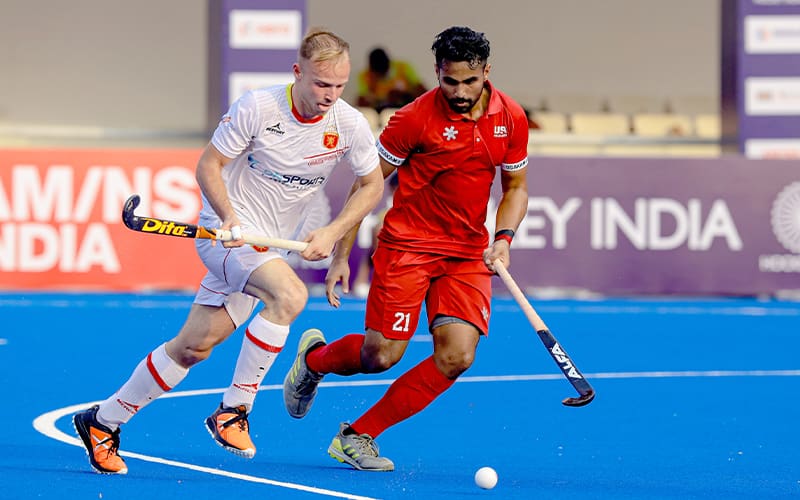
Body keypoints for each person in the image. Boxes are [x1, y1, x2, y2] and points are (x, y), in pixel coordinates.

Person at [72, 27, 384, 475]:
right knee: (291, 297)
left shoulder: (349, 124)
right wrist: (229, 216)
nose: (329, 95)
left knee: (192, 348)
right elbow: (209, 166)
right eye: (320, 84)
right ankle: (233, 410)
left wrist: (335, 238)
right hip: (226, 237)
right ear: (298, 72)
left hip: (267, 251)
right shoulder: (259, 108)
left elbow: (371, 184)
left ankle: (103, 422)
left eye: (338, 85)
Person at [283, 26, 530, 471]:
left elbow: (515, 187)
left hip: (466, 253)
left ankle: (357, 436)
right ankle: (314, 359)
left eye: (469, 82)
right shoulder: (414, 119)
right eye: (449, 80)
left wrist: (503, 239)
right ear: (437, 71)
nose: (458, 91)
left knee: (457, 356)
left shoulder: (510, 117)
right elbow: (367, 185)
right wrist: (342, 253)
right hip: (408, 247)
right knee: (381, 356)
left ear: (486, 73)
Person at [351, 171, 398, 297]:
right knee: (379, 229)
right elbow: (372, 253)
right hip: (392, 265)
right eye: (394, 190)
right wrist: (361, 280)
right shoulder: (385, 216)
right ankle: (380, 281)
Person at [356, 47, 427, 112]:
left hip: (407, 110)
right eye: (378, 74)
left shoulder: (403, 68)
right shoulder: (365, 76)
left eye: (383, 72)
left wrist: (403, 95)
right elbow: (361, 103)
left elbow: (423, 92)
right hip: (382, 115)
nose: (382, 77)